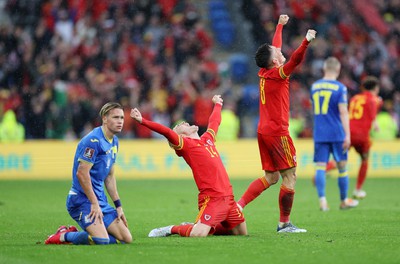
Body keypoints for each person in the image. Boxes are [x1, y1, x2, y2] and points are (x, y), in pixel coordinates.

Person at [236, 14, 315, 233]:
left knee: (271, 177)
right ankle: (284, 224)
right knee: (290, 175)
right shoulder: (279, 74)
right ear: (275, 61)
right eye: (278, 53)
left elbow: (275, 47)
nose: (280, 50)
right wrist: (305, 41)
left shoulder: (264, 72)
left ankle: (238, 206)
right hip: (278, 132)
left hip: (264, 131)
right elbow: (295, 61)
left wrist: (280, 25)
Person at [130, 95, 247, 237]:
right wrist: (142, 121)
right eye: (180, 126)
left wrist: (218, 104)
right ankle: (171, 229)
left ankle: (197, 226)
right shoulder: (186, 146)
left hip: (229, 197)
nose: (184, 122)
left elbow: (214, 122)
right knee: (198, 234)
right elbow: (166, 132)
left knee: (240, 233)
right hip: (212, 199)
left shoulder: (207, 140)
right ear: (181, 136)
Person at [45, 102, 133, 245]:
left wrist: (118, 206)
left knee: (126, 239)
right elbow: (82, 173)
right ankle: (65, 235)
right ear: (104, 119)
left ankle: (94, 230)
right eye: (116, 117)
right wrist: (94, 203)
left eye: (122, 118)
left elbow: (109, 177)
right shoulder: (92, 141)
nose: (120, 121)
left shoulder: (114, 142)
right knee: (101, 240)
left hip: (100, 201)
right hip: (81, 201)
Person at [310, 57, 359, 211]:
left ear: (324, 69)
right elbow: (343, 112)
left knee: (320, 166)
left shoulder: (314, 86)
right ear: (338, 70)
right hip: (337, 132)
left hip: (320, 131)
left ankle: (322, 201)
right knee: (342, 167)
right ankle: (344, 200)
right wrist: (348, 135)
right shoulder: (340, 88)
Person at [349, 76, 381, 199]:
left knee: (340, 159)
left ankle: (323, 171)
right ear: (375, 88)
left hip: (349, 133)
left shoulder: (355, 98)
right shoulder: (373, 99)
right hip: (362, 136)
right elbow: (373, 116)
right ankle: (358, 189)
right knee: (364, 159)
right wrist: (375, 124)